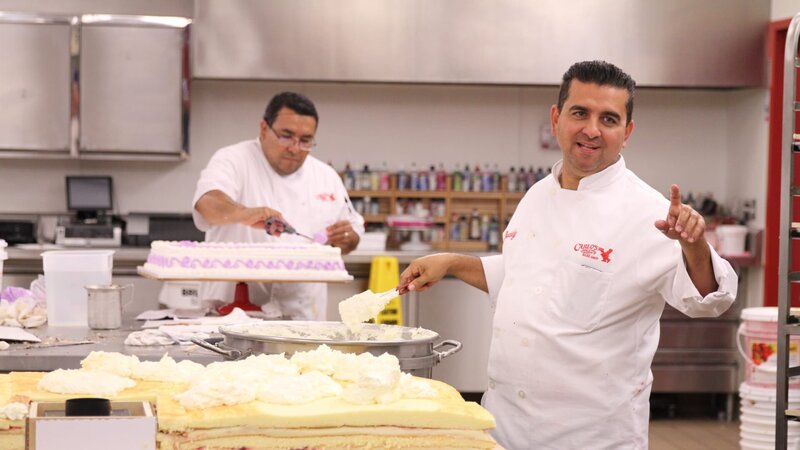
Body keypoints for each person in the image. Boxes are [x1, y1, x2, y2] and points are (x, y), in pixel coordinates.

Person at [398, 61, 737, 449]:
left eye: (608, 119)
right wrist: (453, 262)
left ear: (626, 133)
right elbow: (525, 276)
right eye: (580, 113)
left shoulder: (648, 213)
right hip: (504, 425)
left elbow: (710, 300)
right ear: (557, 117)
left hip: (590, 436)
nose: (591, 129)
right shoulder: (538, 194)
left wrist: (694, 245)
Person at [192, 91, 364, 320]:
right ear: (264, 129)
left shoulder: (326, 176)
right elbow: (207, 203)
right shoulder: (233, 159)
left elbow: (352, 236)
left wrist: (347, 239)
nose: (295, 148)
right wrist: (242, 213)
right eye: (286, 136)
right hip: (233, 316)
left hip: (303, 320)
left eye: (305, 141)